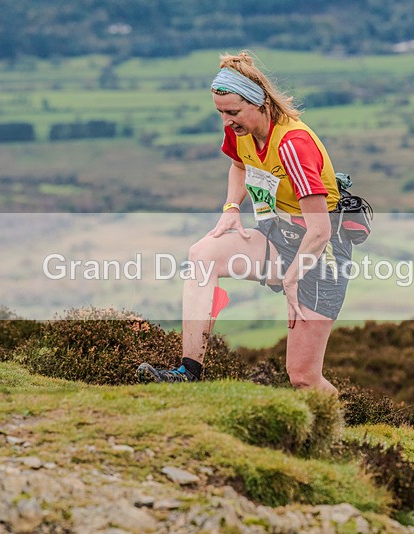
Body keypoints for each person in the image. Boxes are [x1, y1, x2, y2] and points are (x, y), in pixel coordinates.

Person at [138, 51, 352, 394]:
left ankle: (344, 435)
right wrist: (231, 207)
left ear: (261, 103)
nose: (227, 122)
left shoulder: (293, 146)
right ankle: (188, 373)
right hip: (278, 236)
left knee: (302, 376)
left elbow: (320, 231)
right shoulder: (242, 132)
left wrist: (293, 277)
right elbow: (239, 165)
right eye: (221, 113)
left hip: (321, 254)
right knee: (202, 254)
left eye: (233, 112)